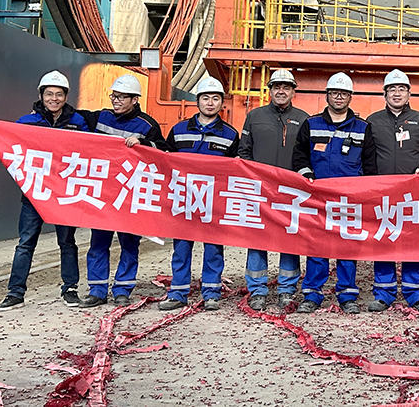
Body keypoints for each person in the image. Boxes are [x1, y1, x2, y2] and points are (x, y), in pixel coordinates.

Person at [0, 71, 89, 311]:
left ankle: (70, 290)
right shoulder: (27, 122)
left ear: (66, 96)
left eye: (59, 94)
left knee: (67, 243)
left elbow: (92, 148)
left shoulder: (79, 122)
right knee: (25, 243)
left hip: (65, 195)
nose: (54, 98)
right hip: (35, 194)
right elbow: (6, 142)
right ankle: (15, 293)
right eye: (49, 94)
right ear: (41, 95)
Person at [78, 74, 166, 308]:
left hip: (130, 196)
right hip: (103, 194)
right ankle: (97, 290)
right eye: (114, 96)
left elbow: (165, 153)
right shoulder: (100, 117)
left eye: (122, 97)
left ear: (135, 99)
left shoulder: (147, 126)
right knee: (98, 242)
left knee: (129, 244)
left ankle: (123, 289)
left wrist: (144, 144)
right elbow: (71, 122)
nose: (116, 101)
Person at [292, 73, 377, 314]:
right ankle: (312, 294)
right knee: (316, 246)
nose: (339, 97)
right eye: (334, 93)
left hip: (350, 200)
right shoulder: (311, 124)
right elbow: (299, 156)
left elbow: (370, 165)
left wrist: (366, 193)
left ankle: (347, 295)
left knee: (347, 246)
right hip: (318, 197)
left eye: (343, 94)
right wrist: (307, 176)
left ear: (350, 97)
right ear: (327, 95)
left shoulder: (363, 128)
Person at [159, 77, 239, 311]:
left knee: (213, 247)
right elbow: (164, 160)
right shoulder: (178, 130)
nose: (210, 103)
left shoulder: (230, 135)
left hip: (213, 201)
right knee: (181, 248)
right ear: (198, 101)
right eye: (206, 98)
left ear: (221, 103)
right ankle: (178, 292)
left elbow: (237, 167)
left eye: (215, 99)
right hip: (183, 199)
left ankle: (212, 292)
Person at [366, 69, 419, 313]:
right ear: (385, 94)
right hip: (383, 193)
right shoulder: (373, 121)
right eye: (392, 89)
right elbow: (366, 156)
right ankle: (384, 293)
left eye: (401, 89)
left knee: (413, 242)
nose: (396, 93)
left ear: (409, 93)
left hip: (414, 194)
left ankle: (415, 293)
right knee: (384, 240)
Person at [238, 68, 309, 311]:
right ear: (269, 90)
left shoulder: (303, 118)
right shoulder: (254, 116)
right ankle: (257, 290)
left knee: (289, 240)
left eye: (286, 87)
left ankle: (287, 290)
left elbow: (306, 155)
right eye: (276, 87)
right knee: (257, 238)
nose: (281, 91)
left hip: (291, 192)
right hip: (260, 190)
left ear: (293, 92)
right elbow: (244, 152)